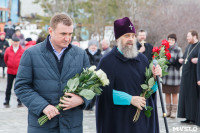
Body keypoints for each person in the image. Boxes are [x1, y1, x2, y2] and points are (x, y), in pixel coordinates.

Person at [14, 13, 90, 133]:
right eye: (63, 34)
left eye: (70, 34)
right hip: (42, 127)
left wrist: (82, 100)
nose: (68, 38)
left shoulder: (81, 54)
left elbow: (90, 86)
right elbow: (21, 87)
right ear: (51, 31)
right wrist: (42, 106)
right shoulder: (31, 54)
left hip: (72, 126)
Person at [96, 17, 162, 133]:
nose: (131, 39)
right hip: (118, 121)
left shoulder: (143, 59)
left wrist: (155, 78)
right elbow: (102, 92)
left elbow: (150, 92)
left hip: (141, 122)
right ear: (117, 38)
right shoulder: (107, 61)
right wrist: (130, 99)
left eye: (133, 36)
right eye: (126, 36)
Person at [177, 30, 200, 124]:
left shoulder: (199, 45)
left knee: (192, 97)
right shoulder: (189, 46)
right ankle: (187, 116)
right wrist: (182, 59)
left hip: (194, 76)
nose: (187, 38)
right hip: (186, 76)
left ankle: (193, 117)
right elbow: (186, 56)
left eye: (188, 36)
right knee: (185, 96)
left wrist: (198, 60)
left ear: (194, 36)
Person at [162, 34, 183, 118]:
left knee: (174, 93)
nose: (170, 41)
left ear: (175, 41)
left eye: (172, 40)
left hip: (174, 75)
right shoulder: (164, 49)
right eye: (169, 39)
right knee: (167, 93)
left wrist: (173, 62)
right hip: (166, 75)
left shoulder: (178, 49)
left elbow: (180, 61)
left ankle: (174, 112)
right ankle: (168, 111)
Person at [3, 37, 24, 106]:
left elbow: (24, 60)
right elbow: (5, 59)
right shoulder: (8, 50)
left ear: (19, 42)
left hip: (19, 71)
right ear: (12, 42)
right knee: (9, 86)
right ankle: (7, 100)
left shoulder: (22, 50)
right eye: (14, 42)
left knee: (19, 86)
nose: (15, 43)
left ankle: (19, 101)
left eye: (17, 42)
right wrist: (9, 64)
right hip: (10, 71)